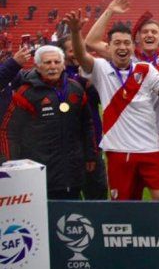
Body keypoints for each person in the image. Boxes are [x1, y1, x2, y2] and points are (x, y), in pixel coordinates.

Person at [64, 10, 159, 201]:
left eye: (126, 43)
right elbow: (82, 56)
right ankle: (131, 231)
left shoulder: (145, 69)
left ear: (133, 46)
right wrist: (75, 32)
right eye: (117, 43)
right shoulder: (100, 67)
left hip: (149, 147)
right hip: (118, 150)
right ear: (109, 46)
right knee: (122, 201)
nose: (122, 47)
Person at [0, 46, 96, 199]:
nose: (53, 66)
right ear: (37, 66)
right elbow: (8, 131)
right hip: (39, 172)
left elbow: (87, 124)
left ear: (63, 64)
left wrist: (91, 155)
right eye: (47, 62)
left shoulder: (75, 88)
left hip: (73, 171)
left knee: (72, 216)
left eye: (57, 62)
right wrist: (12, 164)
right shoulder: (25, 93)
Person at [58, 36, 108, 200]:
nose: (77, 54)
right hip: (65, 145)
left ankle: (100, 223)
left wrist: (94, 84)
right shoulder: (57, 74)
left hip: (92, 142)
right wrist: (81, 81)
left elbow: (103, 100)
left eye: (80, 49)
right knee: (68, 195)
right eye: (72, 50)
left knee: (97, 191)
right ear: (63, 54)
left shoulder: (93, 72)